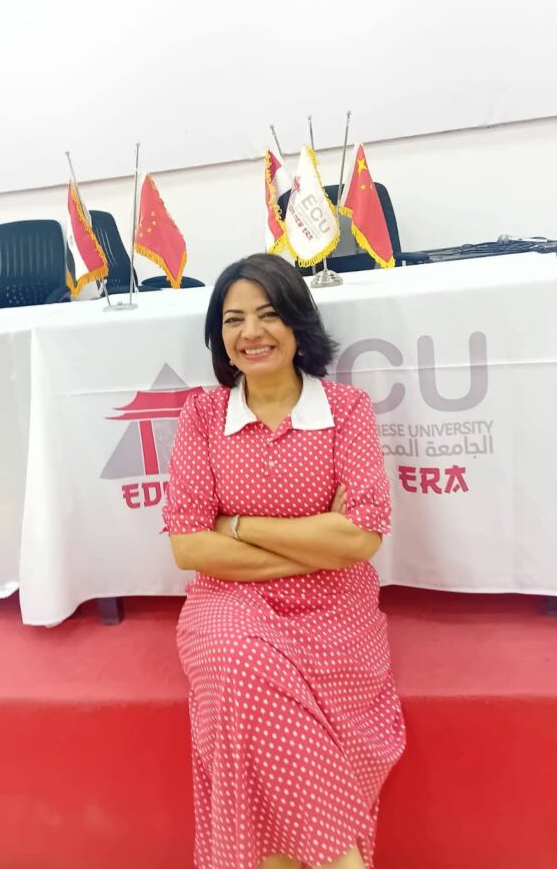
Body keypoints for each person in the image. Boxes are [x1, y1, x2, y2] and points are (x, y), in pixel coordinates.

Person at [162, 253, 405, 869]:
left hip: (336, 612)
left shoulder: (347, 410)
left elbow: (362, 538)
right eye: (234, 320)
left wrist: (236, 526)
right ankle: (341, 861)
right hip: (228, 603)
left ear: (298, 322)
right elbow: (189, 547)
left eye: (268, 314)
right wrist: (318, 543)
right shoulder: (202, 416)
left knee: (251, 718)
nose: (251, 333)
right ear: (218, 335)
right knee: (241, 664)